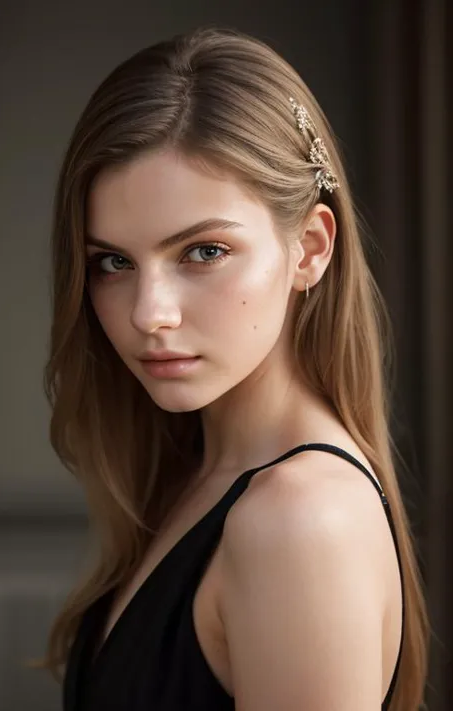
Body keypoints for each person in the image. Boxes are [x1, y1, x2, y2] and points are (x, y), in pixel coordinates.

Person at [40, 25, 429, 710]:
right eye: (114, 262)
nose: (148, 313)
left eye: (203, 252)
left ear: (309, 248)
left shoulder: (299, 518)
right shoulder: (198, 476)